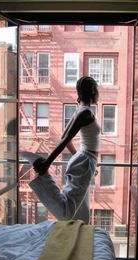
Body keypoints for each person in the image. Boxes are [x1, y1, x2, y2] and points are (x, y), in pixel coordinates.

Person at [22, 76, 100, 224]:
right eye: (97, 90)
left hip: (85, 159)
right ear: (93, 90)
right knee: (66, 212)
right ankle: (43, 179)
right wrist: (47, 163)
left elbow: (65, 137)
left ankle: (79, 230)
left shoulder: (81, 110)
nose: (98, 94)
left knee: (81, 207)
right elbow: (65, 140)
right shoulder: (85, 113)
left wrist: (79, 157)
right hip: (85, 160)